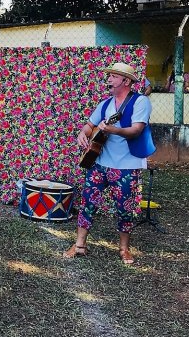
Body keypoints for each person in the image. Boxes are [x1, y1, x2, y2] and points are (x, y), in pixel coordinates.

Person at [65, 62, 154, 264]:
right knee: (87, 203)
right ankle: (79, 245)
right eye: (110, 76)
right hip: (100, 163)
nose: (109, 80)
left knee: (124, 208)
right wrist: (83, 134)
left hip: (127, 165)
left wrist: (114, 130)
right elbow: (89, 126)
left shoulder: (140, 102)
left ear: (126, 81)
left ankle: (124, 249)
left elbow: (136, 130)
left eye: (113, 76)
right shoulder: (105, 104)